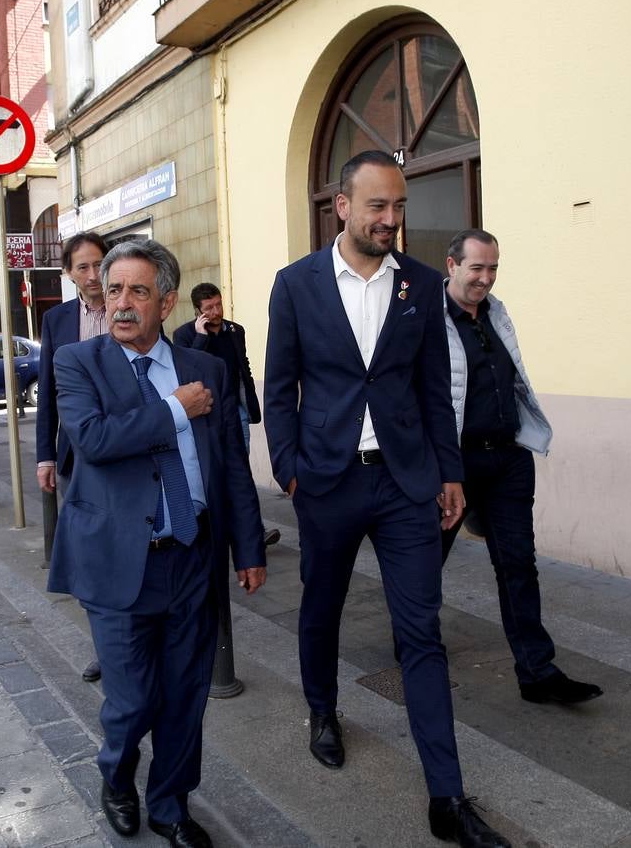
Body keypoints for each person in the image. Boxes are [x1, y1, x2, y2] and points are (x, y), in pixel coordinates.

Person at [264, 150, 508, 848]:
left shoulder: (423, 286)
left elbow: (436, 389)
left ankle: (447, 796)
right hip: (330, 482)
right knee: (321, 608)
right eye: (378, 206)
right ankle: (322, 710)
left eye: (399, 207)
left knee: (421, 631)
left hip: (406, 484)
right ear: (343, 206)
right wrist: (290, 470)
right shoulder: (297, 285)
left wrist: (449, 473)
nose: (392, 219)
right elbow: (279, 389)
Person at [47, 238, 267, 848]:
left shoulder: (208, 370)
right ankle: (117, 776)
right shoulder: (79, 362)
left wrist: (248, 548)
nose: (121, 303)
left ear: (166, 301)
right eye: (113, 290)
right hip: (119, 563)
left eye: (137, 291)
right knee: (133, 699)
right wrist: (174, 409)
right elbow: (92, 439)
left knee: (186, 696)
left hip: (192, 556)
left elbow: (229, 467)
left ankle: (170, 806)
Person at [440, 229, 601, 706]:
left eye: (492, 269)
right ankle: (416, 647)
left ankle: (537, 672)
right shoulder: (427, 321)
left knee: (518, 564)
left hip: (508, 457)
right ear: (452, 266)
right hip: (455, 462)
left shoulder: (497, 312)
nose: (485, 279)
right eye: (476, 269)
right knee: (426, 562)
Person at [36, 231, 109, 683]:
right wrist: (45, 455)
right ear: (69, 273)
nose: (92, 275)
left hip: (127, 449)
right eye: (81, 267)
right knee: (89, 555)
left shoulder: (130, 305)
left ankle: (132, 636)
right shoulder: (56, 320)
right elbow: (49, 392)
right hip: (75, 457)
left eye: (98, 263)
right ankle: (104, 646)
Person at [173, 283, 281, 548]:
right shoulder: (184, 335)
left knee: (239, 470)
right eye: (209, 308)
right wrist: (201, 338)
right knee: (208, 470)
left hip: (235, 411)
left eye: (218, 304)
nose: (216, 311)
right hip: (204, 416)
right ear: (198, 310)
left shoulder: (235, 330)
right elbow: (188, 373)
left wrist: (250, 403)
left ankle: (254, 530)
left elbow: (242, 364)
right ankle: (214, 528)